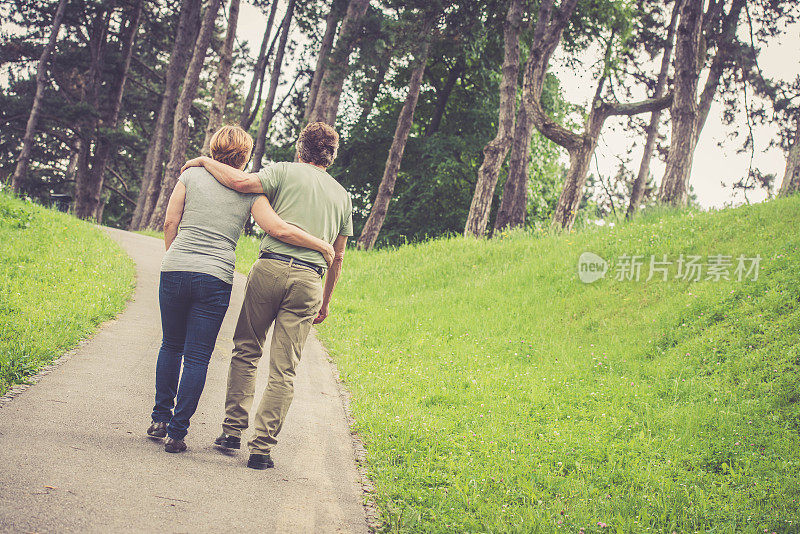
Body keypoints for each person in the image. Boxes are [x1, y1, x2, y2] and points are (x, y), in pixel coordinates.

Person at [147, 125, 335, 454]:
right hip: (216, 277)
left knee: (171, 346)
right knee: (196, 357)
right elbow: (275, 227)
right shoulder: (251, 192)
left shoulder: (189, 176)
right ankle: (178, 433)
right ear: (245, 156)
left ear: (213, 148)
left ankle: (160, 418)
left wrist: (173, 258)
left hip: (175, 268)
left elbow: (169, 222)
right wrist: (322, 246)